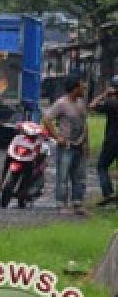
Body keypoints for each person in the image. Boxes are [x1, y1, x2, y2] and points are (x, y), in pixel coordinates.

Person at [44, 75, 89, 215]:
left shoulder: (81, 103)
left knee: (80, 176)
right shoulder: (61, 103)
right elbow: (47, 119)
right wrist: (57, 137)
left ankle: (78, 203)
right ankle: (61, 204)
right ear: (75, 88)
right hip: (67, 145)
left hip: (79, 144)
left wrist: (87, 142)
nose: (84, 88)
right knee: (62, 176)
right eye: (82, 86)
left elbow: (85, 123)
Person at [90, 75, 118, 206]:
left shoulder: (111, 103)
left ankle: (108, 193)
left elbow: (92, 105)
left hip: (112, 140)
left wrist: (104, 94)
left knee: (102, 166)